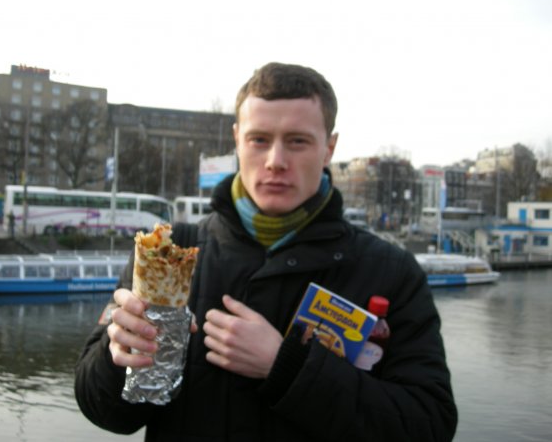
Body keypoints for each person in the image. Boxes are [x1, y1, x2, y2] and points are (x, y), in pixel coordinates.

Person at [75, 62, 458, 441]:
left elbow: (429, 424)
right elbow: (105, 412)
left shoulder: (390, 271)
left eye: (297, 141)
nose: (276, 161)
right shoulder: (167, 254)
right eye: (259, 140)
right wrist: (116, 355)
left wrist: (286, 366)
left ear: (329, 148)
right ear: (237, 140)